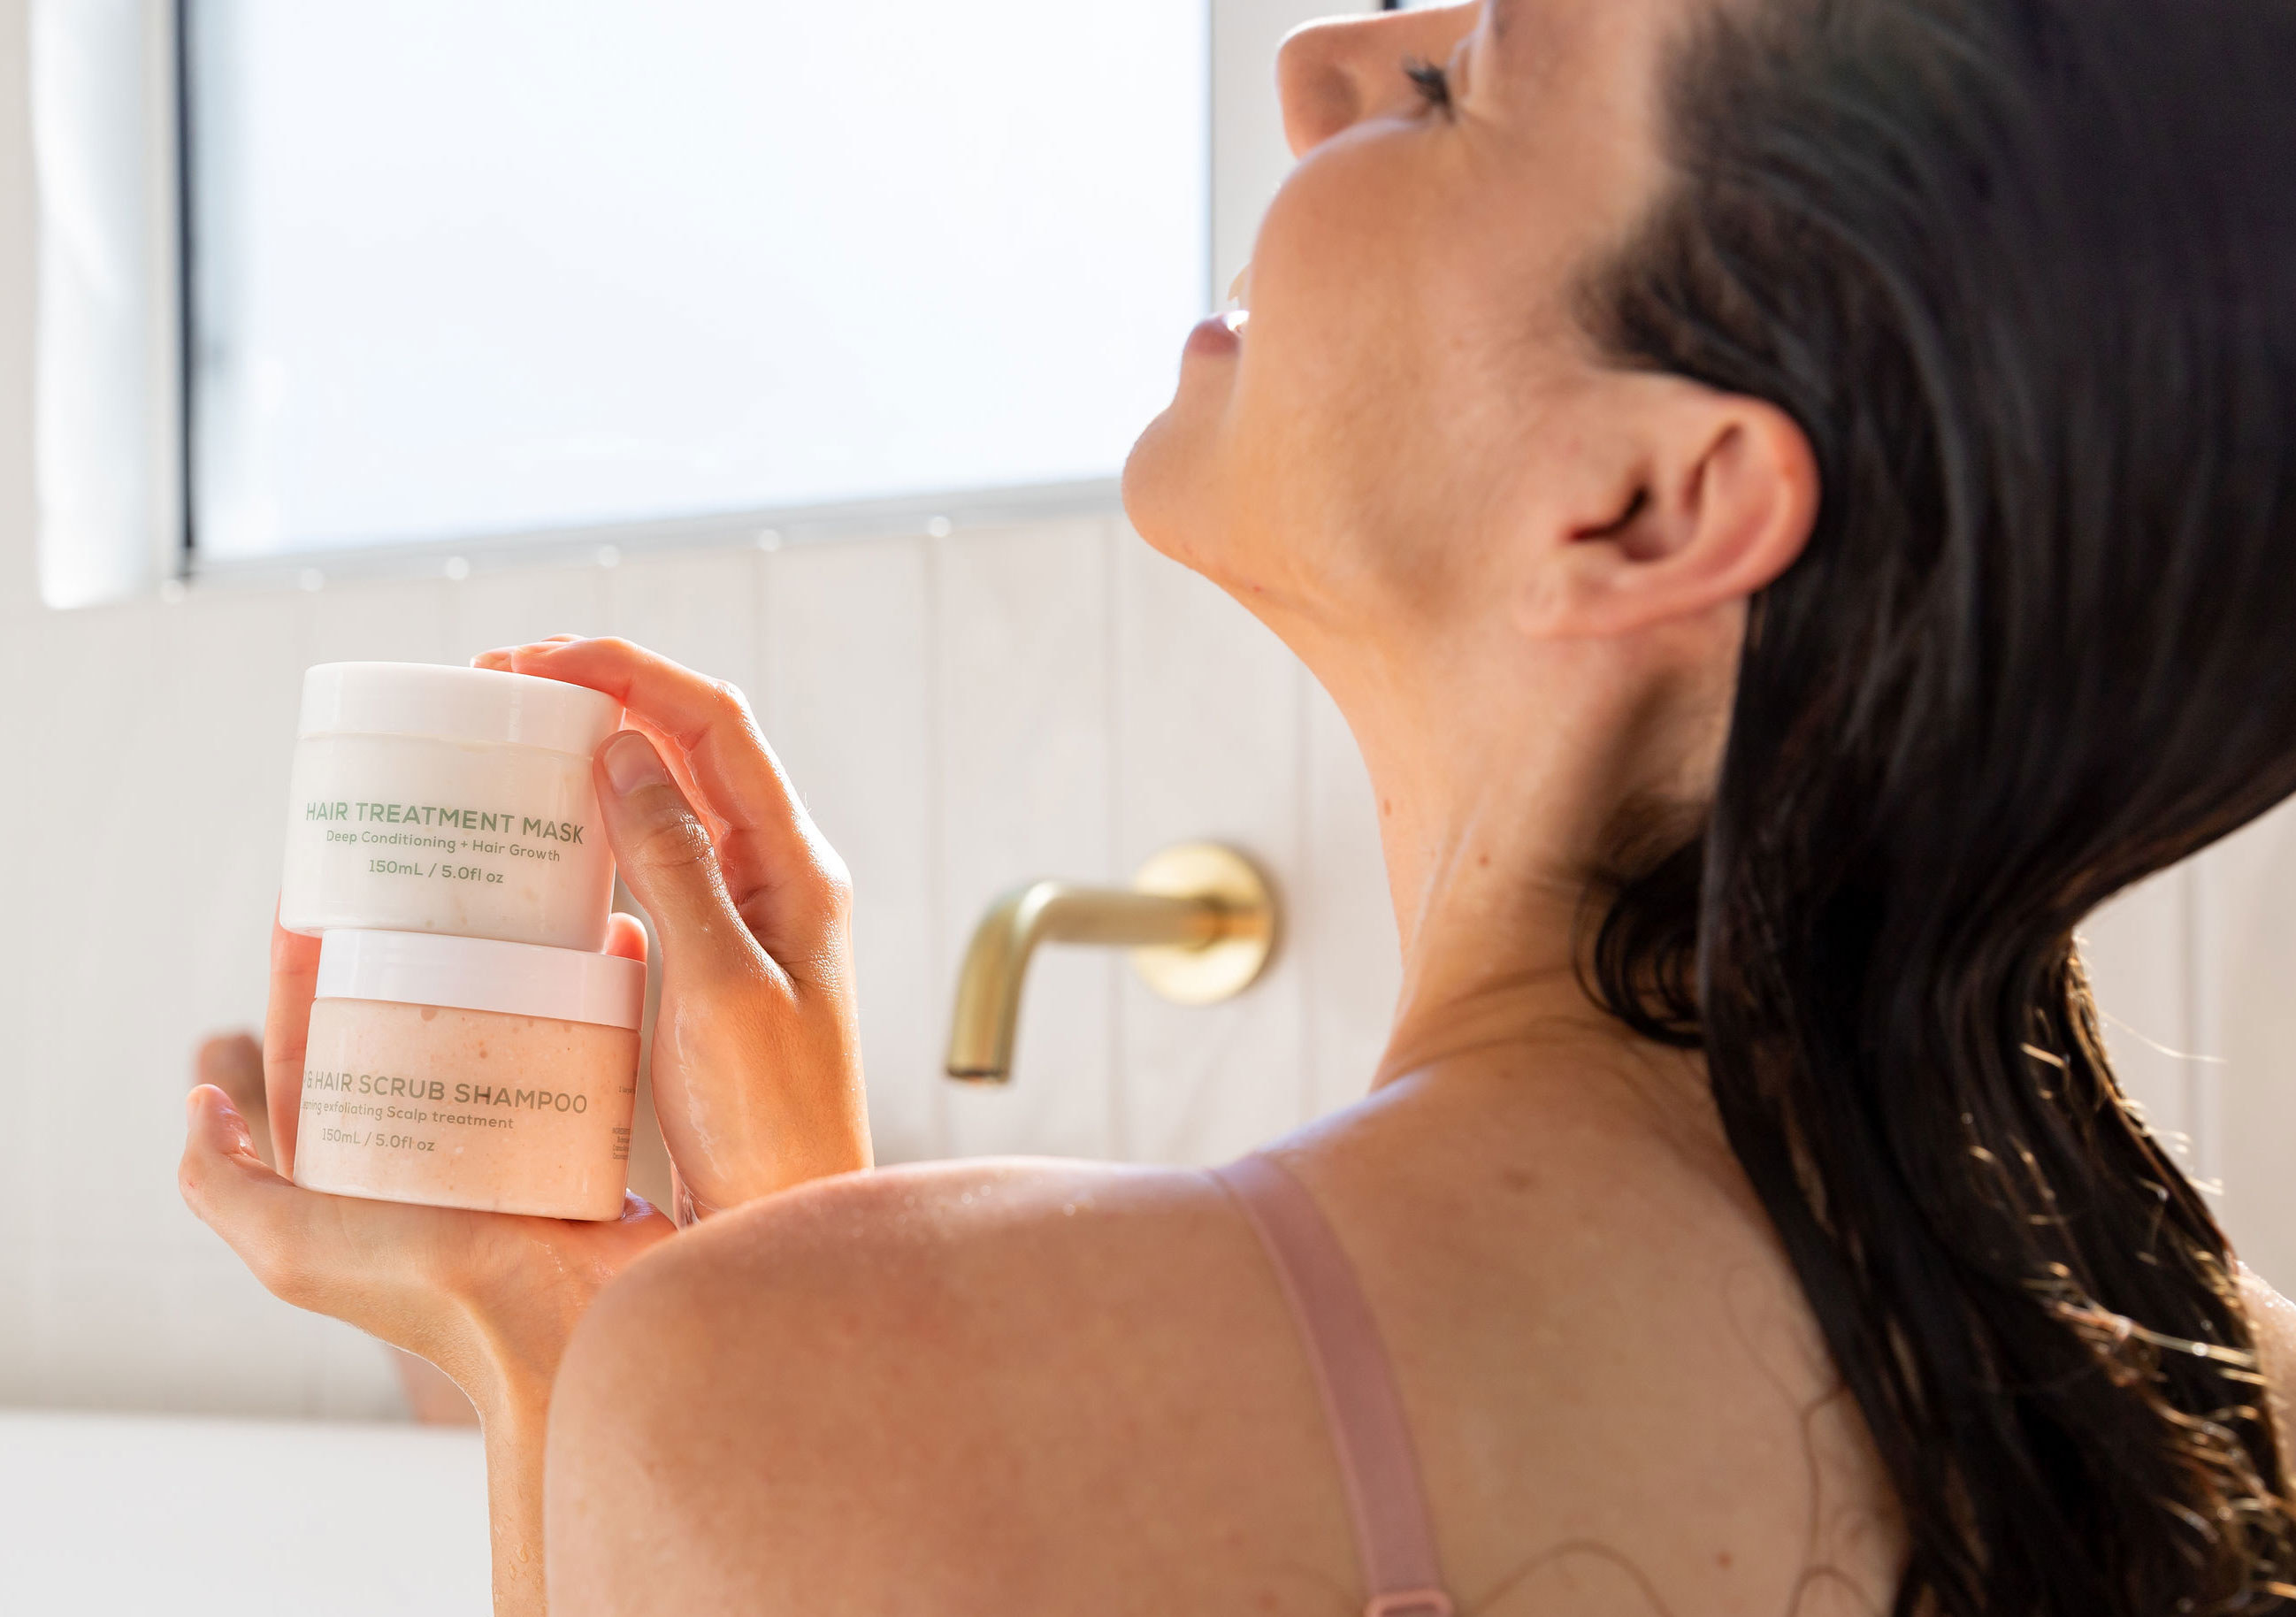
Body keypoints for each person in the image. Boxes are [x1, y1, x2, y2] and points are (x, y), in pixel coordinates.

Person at [179, 0, 2296, 1611]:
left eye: (1461, 81)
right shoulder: (2232, 1415)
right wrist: (743, 1287)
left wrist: (557, 1342)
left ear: (1654, 500)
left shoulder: (827, 1375)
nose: (1312, 71)